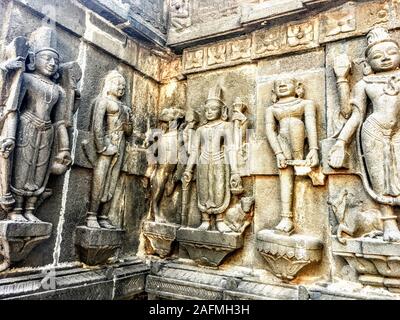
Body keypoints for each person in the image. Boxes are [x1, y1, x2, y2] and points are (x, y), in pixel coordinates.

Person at [329, 27, 400, 241]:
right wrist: (341, 143)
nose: (385, 58)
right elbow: (351, 114)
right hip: (373, 131)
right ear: (367, 64)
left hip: (397, 132)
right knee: (380, 179)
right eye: (378, 56)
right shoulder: (365, 83)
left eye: (391, 52)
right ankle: (389, 225)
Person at [182, 84, 241, 232]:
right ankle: (205, 220)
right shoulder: (200, 130)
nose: (209, 112)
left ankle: (220, 219)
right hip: (202, 161)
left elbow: (230, 148)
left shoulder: (225, 126)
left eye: (213, 109)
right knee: (203, 189)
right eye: (207, 109)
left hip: (219, 161)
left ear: (222, 110)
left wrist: (234, 171)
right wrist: (188, 169)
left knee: (219, 188)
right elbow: (195, 151)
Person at [265, 78, 319, 234]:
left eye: (287, 83)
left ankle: (305, 169)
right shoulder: (272, 109)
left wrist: (314, 149)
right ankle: (286, 217)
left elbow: (310, 125)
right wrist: (278, 153)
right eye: (278, 84)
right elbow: (270, 131)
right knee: (285, 174)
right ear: (274, 91)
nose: (282, 85)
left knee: (296, 124)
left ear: (297, 87)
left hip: (300, 141)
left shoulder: (305, 104)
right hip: (281, 142)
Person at [86, 70, 133, 229]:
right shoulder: (103, 101)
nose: (121, 87)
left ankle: (104, 216)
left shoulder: (125, 108)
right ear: (109, 84)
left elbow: (128, 132)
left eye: (123, 85)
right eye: (118, 84)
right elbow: (97, 126)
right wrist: (103, 147)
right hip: (107, 144)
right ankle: (92, 215)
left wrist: (129, 123)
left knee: (113, 181)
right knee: (100, 179)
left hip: (120, 145)